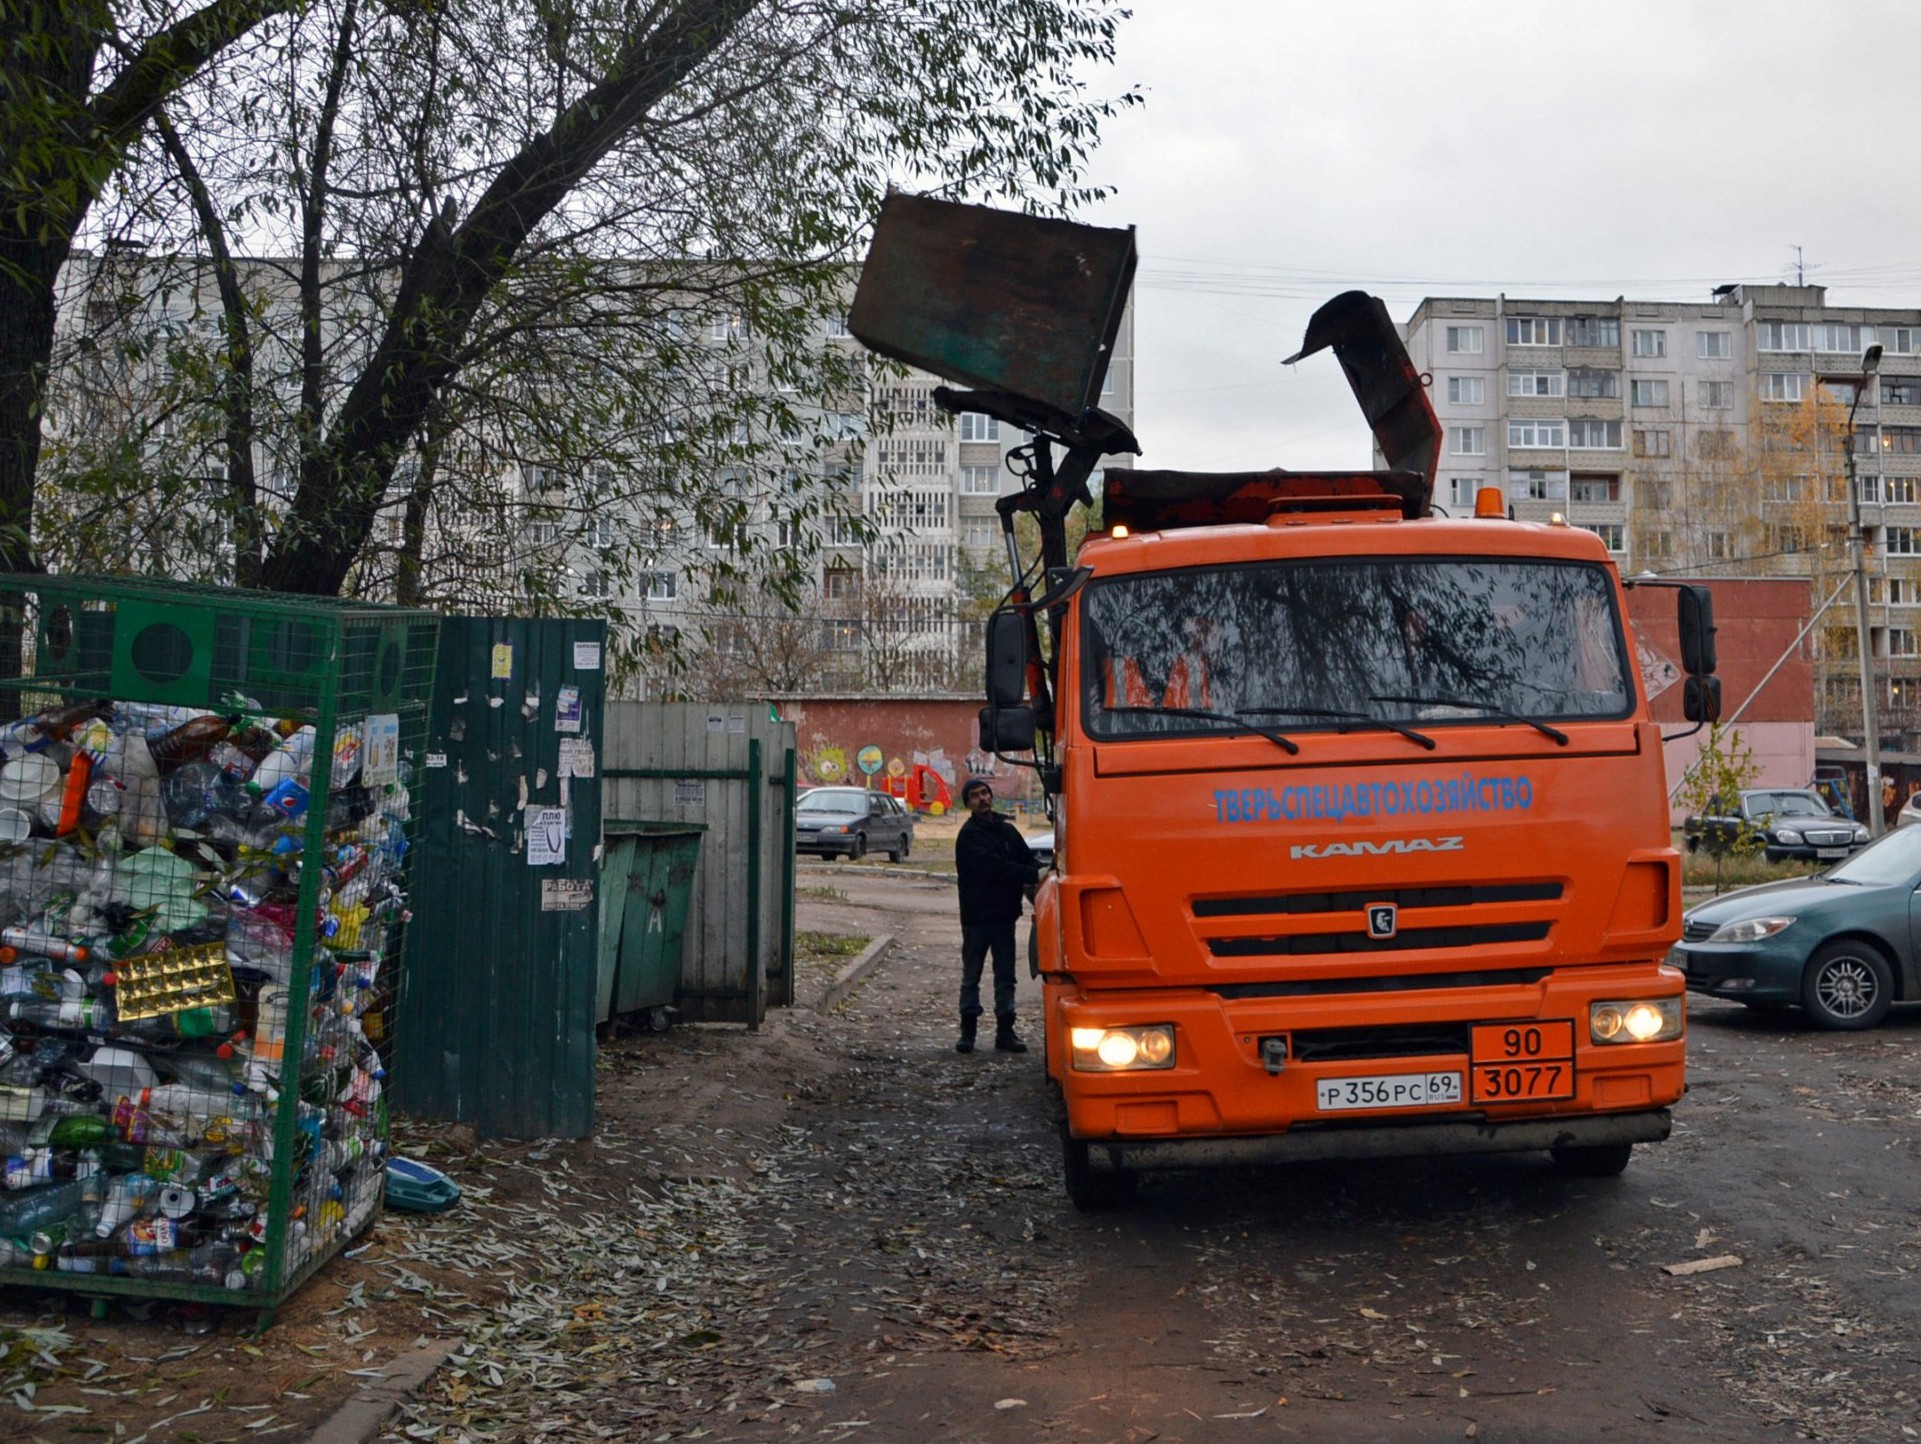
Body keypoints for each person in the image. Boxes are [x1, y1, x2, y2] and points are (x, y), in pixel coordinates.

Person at [953, 777, 1040, 1054]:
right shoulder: (969, 836)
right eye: (976, 796)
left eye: (985, 793)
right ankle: (968, 1033)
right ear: (968, 804)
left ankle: (1006, 1032)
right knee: (972, 976)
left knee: (1006, 977)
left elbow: (1026, 859)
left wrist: (1044, 870)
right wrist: (1031, 874)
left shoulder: (1007, 831)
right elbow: (995, 867)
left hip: (1004, 917)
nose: (983, 799)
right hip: (977, 918)